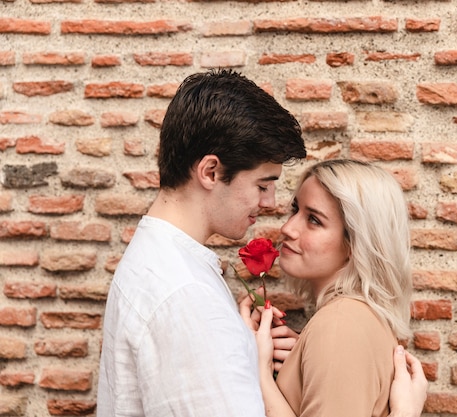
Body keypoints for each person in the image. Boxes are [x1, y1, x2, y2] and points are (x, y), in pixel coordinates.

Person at [96, 69, 426, 417]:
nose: (275, 213)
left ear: (356, 241)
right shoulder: (185, 295)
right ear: (210, 172)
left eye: (313, 219)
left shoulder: (161, 270)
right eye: (262, 185)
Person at [243, 159, 428, 417]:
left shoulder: (342, 323)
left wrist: (259, 371)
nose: (287, 228)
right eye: (295, 209)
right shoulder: (350, 320)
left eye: (314, 220)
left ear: (355, 244)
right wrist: (305, 361)